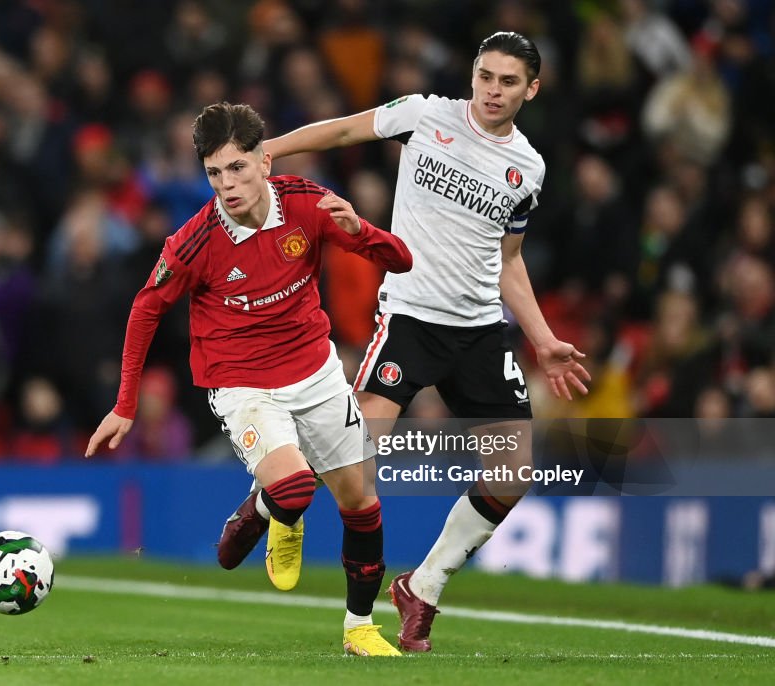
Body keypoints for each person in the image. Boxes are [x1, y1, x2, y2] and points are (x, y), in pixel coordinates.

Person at [257, 32, 592, 652]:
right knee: (354, 460)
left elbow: (509, 261)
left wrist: (542, 338)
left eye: (509, 82)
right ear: (472, 74)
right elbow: (340, 133)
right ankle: (270, 498)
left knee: (513, 472)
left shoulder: (528, 168)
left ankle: (424, 585)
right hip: (410, 317)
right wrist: (269, 151)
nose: (493, 91)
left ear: (531, 89)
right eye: (486, 76)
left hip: (479, 330)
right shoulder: (424, 115)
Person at [86, 102, 413, 656]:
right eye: (214, 173)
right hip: (242, 382)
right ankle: (275, 507)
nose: (227, 184)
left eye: (238, 168)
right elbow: (145, 309)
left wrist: (363, 232)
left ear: (265, 160)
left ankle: (359, 628)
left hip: (315, 370)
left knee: (361, 503)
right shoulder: (194, 242)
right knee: (294, 487)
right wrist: (125, 404)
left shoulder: (307, 203)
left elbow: (399, 259)